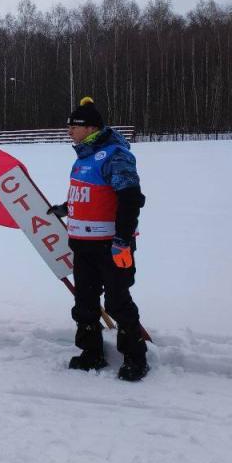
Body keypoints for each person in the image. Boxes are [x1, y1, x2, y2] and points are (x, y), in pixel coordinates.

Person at [48, 98, 149, 381]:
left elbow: (130, 199)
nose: (69, 130)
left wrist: (123, 240)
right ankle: (91, 352)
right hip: (82, 245)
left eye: (74, 125)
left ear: (91, 127)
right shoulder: (83, 157)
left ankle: (135, 357)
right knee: (85, 303)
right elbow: (89, 194)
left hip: (110, 245)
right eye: (68, 125)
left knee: (117, 302)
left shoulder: (116, 155)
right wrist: (66, 209)